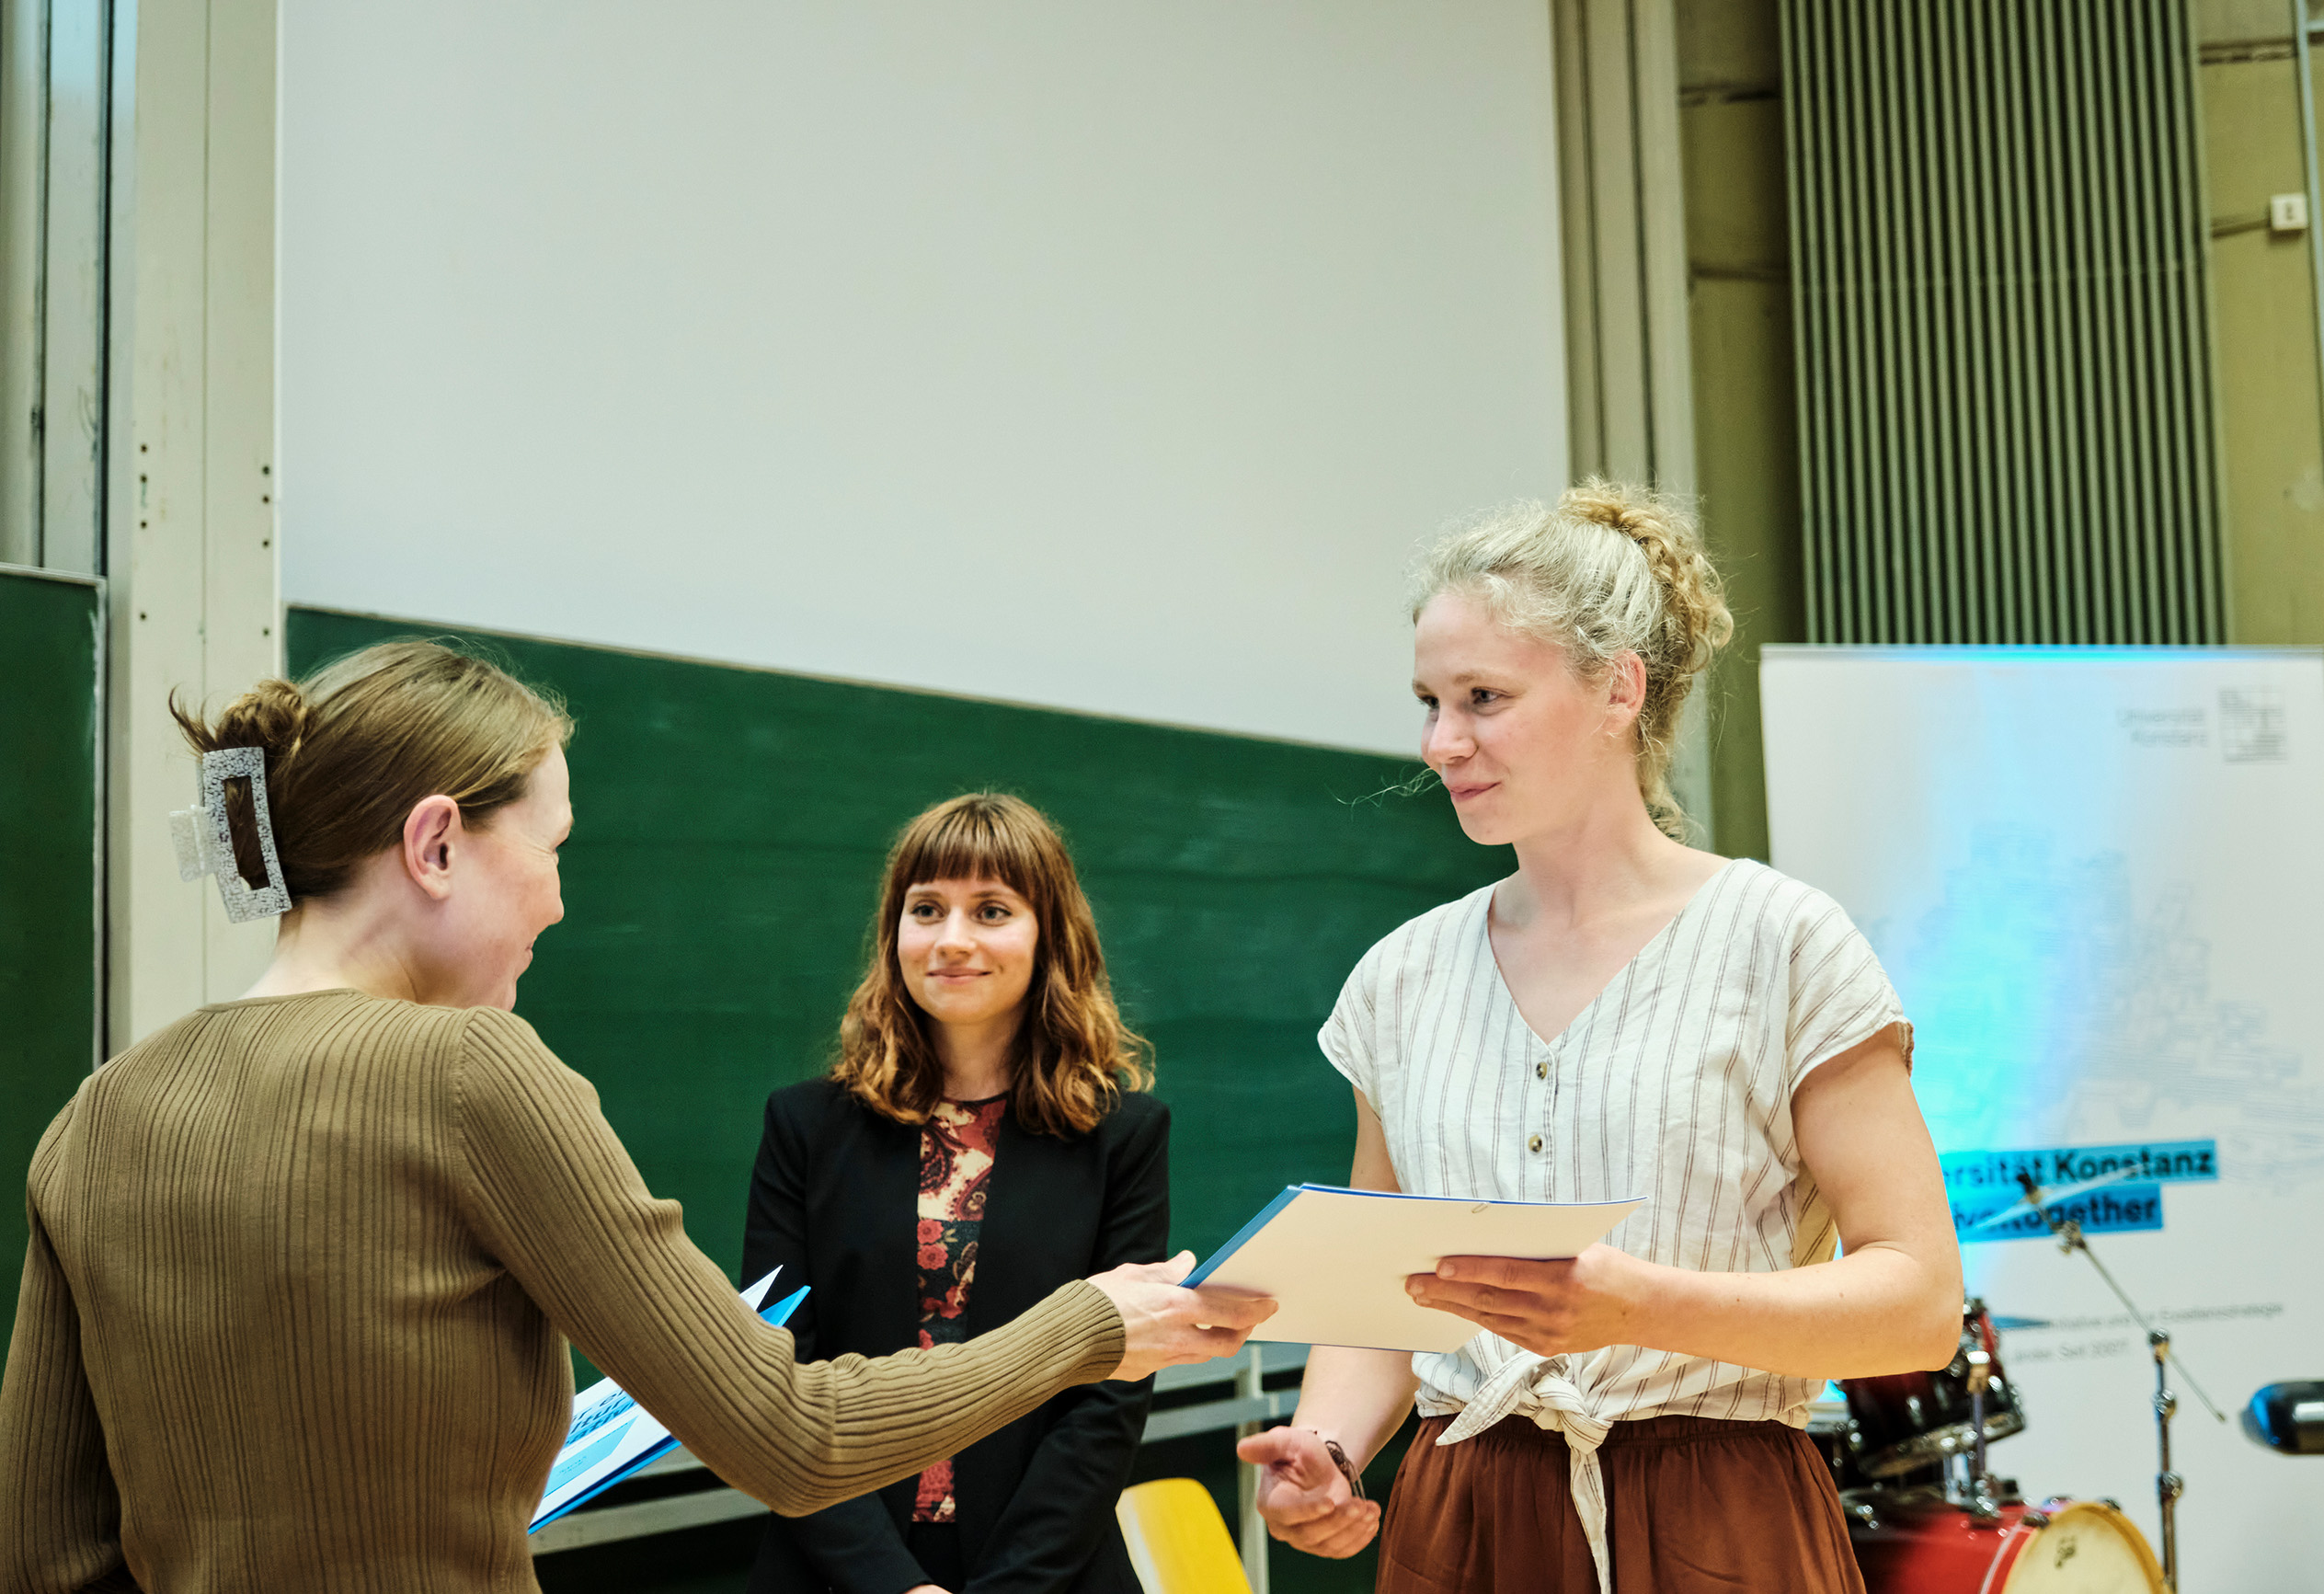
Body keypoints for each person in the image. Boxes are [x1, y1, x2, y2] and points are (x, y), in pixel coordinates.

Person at [0, 641, 1271, 1594]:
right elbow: (789, 1434)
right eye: (550, 848)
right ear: (436, 844)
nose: (557, 902)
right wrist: (1090, 1324)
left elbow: (47, 1552)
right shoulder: (473, 1072)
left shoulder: (100, 1111)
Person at [1236, 481, 1961, 1594]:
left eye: (1483, 697)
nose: (1441, 741)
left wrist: (1642, 1306)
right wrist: (1326, 1449)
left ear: (1618, 688)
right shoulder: (1400, 977)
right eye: (1429, 701)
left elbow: (1916, 1305)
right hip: (1462, 1518)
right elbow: (1384, 1293)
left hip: (1717, 1514)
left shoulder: (1780, 941)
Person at [743, 793, 1165, 1594]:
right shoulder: (804, 1126)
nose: (952, 939)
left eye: (992, 910)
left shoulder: (1122, 1134)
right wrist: (895, 1586)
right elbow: (778, 1383)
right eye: (927, 908)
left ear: (1049, 936)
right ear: (894, 931)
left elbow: (1108, 1397)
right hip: (839, 1568)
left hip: (1049, 1571)